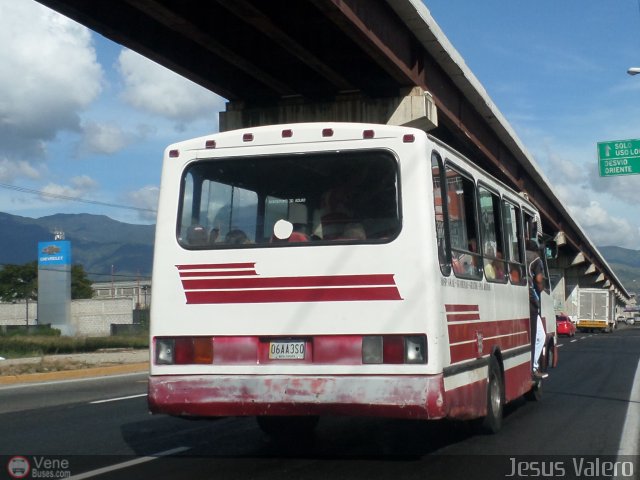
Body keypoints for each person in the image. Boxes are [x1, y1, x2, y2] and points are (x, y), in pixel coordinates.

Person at [526, 237, 548, 380]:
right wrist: (542, 289)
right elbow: (539, 280)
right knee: (539, 336)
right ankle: (533, 367)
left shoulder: (519, 255)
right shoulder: (536, 259)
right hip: (531, 301)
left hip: (519, 298)